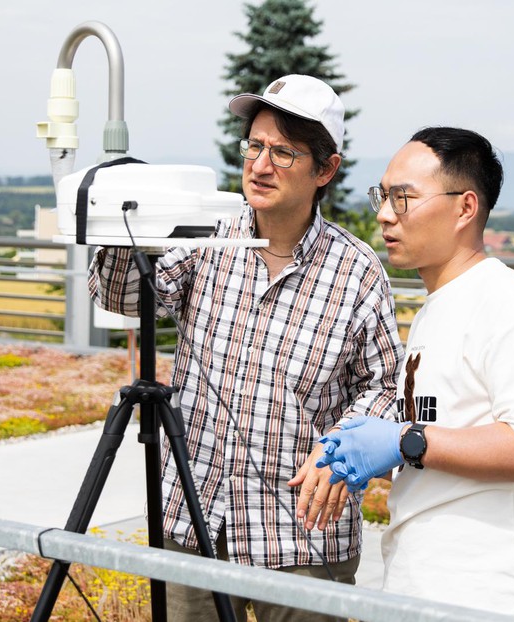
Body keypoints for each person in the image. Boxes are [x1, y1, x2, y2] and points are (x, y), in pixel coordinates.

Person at [88, 74, 403, 621]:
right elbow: (125, 295)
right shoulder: (208, 234)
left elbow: (384, 384)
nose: (260, 166)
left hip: (302, 536)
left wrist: (341, 453)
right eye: (254, 146)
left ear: (325, 169)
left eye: (283, 152)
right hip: (194, 518)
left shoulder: (356, 270)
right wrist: (124, 221)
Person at [318, 127, 514, 620]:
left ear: (465, 208)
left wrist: (405, 440)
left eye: (404, 198)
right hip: (422, 583)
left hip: (486, 594)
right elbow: (446, 431)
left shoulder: (508, 306)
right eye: (383, 196)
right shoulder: (439, 305)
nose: (385, 214)